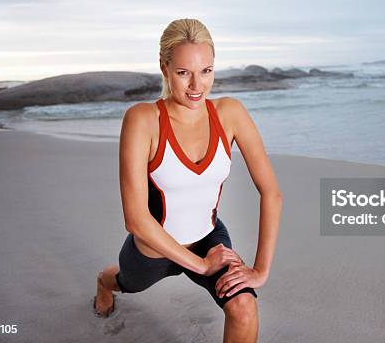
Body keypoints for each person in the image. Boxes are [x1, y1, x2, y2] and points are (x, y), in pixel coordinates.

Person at [93, 18, 283, 343]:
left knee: (244, 307)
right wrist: (200, 265)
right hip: (152, 250)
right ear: (164, 68)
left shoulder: (230, 113)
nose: (197, 85)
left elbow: (271, 193)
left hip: (209, 239)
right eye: (184, 73)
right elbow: (136, 219)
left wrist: (260, 270)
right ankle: (102, 282)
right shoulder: (143, 120)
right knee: (125, 282)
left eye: (206, 71)